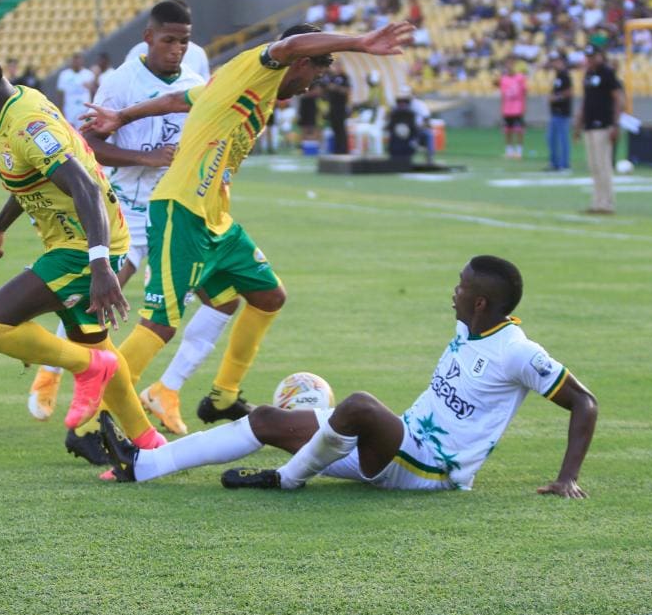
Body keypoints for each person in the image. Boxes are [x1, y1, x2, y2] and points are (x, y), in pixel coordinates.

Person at [82, 21, 416, 431]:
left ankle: (223, 398)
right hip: (181, 209)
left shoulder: (246, 88)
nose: (313, 84)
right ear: (301, 62)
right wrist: (358, 43)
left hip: (215, 218)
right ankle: (97, 420)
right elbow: (289, 43)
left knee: (267, 296)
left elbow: (175, 100)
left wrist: (121, 116)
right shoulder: (257, 67)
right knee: (161, 321)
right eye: (317, 72)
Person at [98, 256, 597, 499]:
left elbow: (584, 403)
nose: (454, 293)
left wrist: (567, 478)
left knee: (357, 405)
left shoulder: (518, 352)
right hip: (394, 446)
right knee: (269, 418)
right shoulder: (470, 329)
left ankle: (285, 481)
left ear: (482, 302)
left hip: (430, 469)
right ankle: (144, 464)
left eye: (461, 287)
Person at [0, 47, 166, 460]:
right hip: (88, 242)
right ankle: (151, 446)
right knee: (102, 349)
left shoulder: (26, 124)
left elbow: (84, 187)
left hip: (83, 247)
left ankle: (84, 367)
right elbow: (35, 177)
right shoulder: (22, 103)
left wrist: (99, 264)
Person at [29, 0, 237, 440]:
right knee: (97, 300)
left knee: (225, 297)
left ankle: (169, 389)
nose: (177, 48)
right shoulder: (120, 83)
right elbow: (86, 145)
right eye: (169, 40)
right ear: (148, 37)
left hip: (180, 210)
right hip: (128, 210)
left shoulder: (195, 84)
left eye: (184, 40)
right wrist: (146, 157)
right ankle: (51, 371)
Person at [574, 46, 623, 215]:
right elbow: (585, 101)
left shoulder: (608, 73)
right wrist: (579, 124)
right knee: (593, 166)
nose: (590, 60)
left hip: (603, 124)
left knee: (603, 165)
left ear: (600, 56)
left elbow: (618, 99)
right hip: (589, 124)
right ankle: (597, 201)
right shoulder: (588, 75)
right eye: (588, 57)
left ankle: (607, 203)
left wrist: (616, 124)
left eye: (593, 56)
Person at [546, 52, 572, 171]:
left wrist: (556, 97)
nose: (554, 64)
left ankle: (564, 163)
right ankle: (554, 162)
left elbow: (569, 92)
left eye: (557, 61)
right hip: (555, 112)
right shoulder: (558, 76)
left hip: (562, 112)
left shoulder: (565, 76)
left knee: (562, 139)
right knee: (551, 138)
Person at [498, 59, 527, 159]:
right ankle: (509, 152)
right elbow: (503, 95)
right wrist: (502, 108)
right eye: (507, 65)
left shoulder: (520, 78)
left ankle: (519, 152)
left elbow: (524, 93)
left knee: (519, 131)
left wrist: (524, 106)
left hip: (518, 108)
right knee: (507, 131)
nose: (509, 67)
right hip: (507, 109)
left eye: (511, 64)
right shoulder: (503, 79)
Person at [54, 53, 95, 123]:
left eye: (78, 60)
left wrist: (92, 108)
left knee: (85, 129)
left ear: (82, 61)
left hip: (84, 109)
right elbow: (60, 93)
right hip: (69, 108)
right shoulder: (64, 75)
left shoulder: (89, 74)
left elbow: (93, 92)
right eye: (75, 60)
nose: (77, 63)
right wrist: (60, 110)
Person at [323, 61, 351, 154]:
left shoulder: (344, 77)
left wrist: (336, 88)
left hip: (341, 106)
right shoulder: (331, 77)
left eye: (337, 66)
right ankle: (336, 149)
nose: (336, 68)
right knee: (334, 128)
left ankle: (344, 149)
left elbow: (347, 91)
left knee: (341, 128)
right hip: (332, 105)